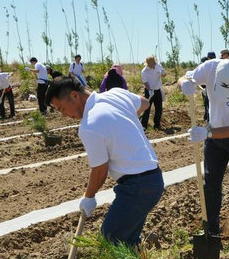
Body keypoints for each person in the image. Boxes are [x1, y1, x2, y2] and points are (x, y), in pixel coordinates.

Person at [45, 76, 164, 246]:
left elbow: (100, 169)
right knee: (127, 241)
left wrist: (89, 196)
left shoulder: (89, 125)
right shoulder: (115, 95)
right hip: (153, 179)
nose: (64, 115)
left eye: (62, 108)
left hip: (136, 187)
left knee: (110, 240)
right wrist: (122, 119)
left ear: (74, 96)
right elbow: (144, 103)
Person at [178, 59, 229, 243]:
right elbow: (183, 78)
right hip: (214, 131)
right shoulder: (209, 68)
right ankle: (211, 230)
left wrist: (206, 133)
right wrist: (185, 85)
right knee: (210, 182)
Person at [140, 55, 166, 130]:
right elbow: (145, 83)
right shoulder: (144, 71)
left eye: (154, 64)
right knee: (147, 108)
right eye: (152, 65)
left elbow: (164, 75)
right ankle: (144, 126)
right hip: (149, 91)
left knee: (159, 108)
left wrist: (163, 73)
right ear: (148, 64)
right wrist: (150, 90)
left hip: (158, 90)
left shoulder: (158, 66)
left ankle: (157, 125)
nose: (154, 66)